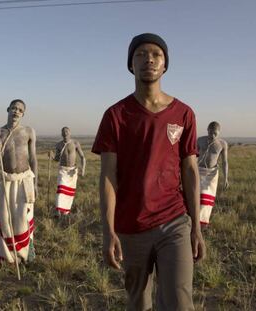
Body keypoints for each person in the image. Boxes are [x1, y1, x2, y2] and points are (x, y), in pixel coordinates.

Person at [92, 33, 206, 310]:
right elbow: (108, 177)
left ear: (165, 64)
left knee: (179, 302)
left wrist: (197, 227)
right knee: (138, 303)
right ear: (131, 64)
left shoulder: (184, 114)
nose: (149, 59)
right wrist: (109, 232)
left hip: (174, 221)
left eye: (156, 54)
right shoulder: (116, 115)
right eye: (141, 54)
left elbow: (190, 170)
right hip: (131, 226)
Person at [0, 99, 38, 265]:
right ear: (8, 109)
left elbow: (33, 158)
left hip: (24, 180)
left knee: (23, 216)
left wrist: (35, 183)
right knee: (5, 218)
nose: (16, 111)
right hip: (6, 180)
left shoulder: (28, 131)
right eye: (14, 108)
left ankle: (25, 255)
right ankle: (4, 256)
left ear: (23, 114)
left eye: (20, 110)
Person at [197, 121, 229, 226]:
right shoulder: (200, 140)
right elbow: (193, 155)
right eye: (211, 132)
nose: (212, 135)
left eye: (215, 133)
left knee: (206, 198)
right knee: (196, 195)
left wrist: (225, 178)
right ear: (207, 130)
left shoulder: (222, 144)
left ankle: (202, 222)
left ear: (219, 132)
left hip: (212, 174)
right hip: (199, 171)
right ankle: (193, 218)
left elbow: (224, 162)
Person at [53, 126, 86, 217]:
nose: (65, 133)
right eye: (63, 131)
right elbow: (56, 158)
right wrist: (51, 157)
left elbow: (82, 157)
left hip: (72, 171)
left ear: (70, 132)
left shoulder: (75, 143)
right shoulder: (58, 145)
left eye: (67, 131)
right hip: (62, 170)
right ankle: (58, 212)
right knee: (61, 190)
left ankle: (65, 212)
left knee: (69, 193)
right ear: (61, 134)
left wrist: (82, 169)